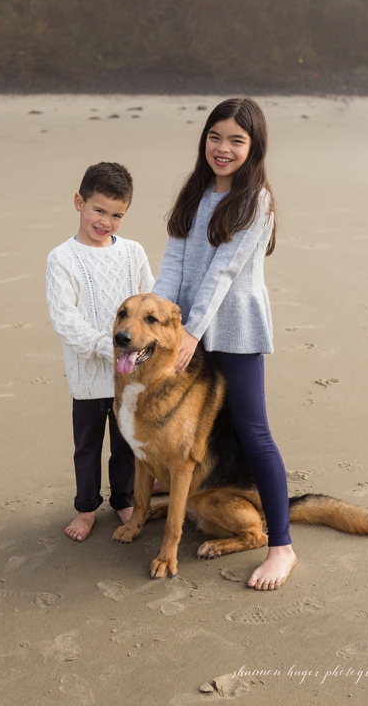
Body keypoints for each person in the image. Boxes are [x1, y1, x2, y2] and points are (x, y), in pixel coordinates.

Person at [154, 98, 292, 588]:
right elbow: (173, 265)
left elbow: (224, 272)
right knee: (193, 433)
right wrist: (162, 325)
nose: (223, 148)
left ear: (253, 148)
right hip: (186, 330)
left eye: (237, 140)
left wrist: (189, 332)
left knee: (251, 431)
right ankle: (179, 504)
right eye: (216, 137)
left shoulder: (257, 202)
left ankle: (281, 546)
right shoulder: (194, 192)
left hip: (233, 329)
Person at [46, 162, 154, 541]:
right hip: (89, 376)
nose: (105, 221)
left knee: (126, 443)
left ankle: (123, 499)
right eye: (98, 210)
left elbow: (148, 300)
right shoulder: (62, 258)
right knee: (88, 446)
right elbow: (65, 319)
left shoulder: (133, 252)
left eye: (117, 215)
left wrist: (136, 353)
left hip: (131, 374)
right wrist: (109, 350)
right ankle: (86, 508)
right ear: (80, 202)